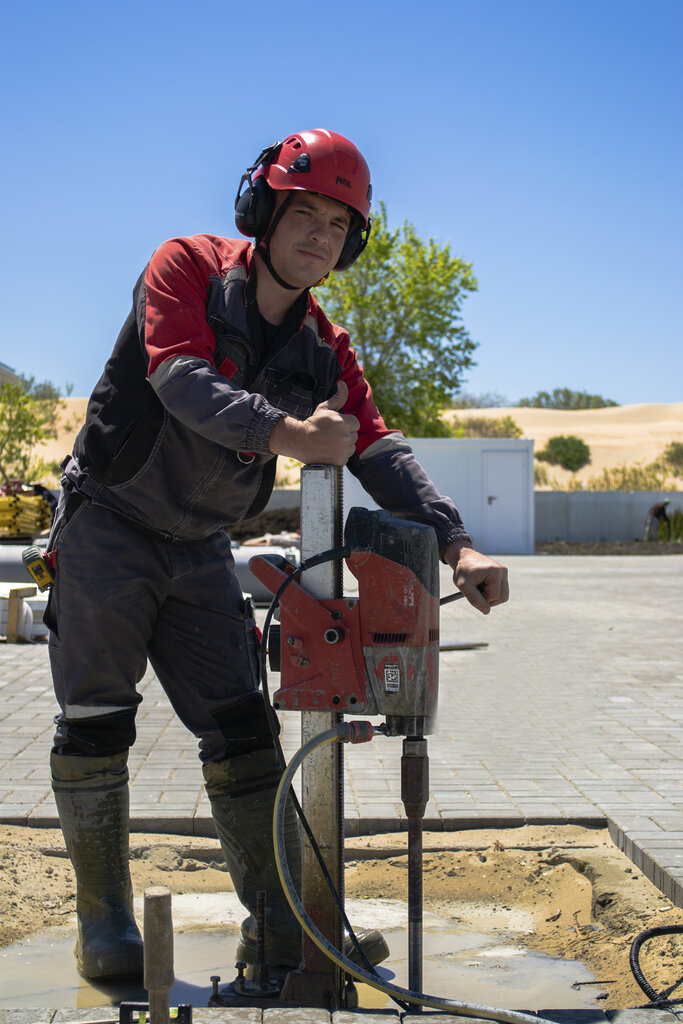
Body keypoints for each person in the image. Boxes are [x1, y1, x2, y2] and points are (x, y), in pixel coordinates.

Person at [45, 129, 509, 983]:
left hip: (200, 548)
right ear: (261, 210)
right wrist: (291, 434)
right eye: (304, 215)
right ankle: (103, 923)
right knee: (96, 718)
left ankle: (283, 922)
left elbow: (375, 446)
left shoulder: (324, 346)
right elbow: (178, 377)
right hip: (110, 523)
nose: (318, 237)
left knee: (242, 730)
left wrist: (458, 543)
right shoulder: (184, 268)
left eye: (337, 226)